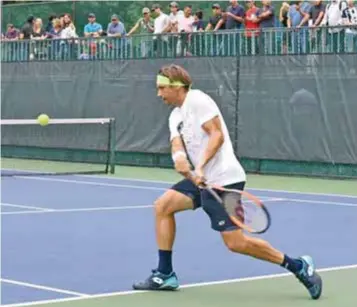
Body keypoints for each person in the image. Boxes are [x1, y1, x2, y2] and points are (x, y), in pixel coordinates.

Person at [132, 64, 322, 300]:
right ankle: (165, 274)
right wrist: (179, 159)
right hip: (201, 181)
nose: (159, 94)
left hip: (225, 179)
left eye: (162, 88)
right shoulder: (175, 115)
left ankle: (298, 266)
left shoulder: (198, 100)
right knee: (162, 206)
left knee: (236, 243)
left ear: (176, 86)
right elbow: (176, 143)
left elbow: (217, 134)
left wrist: (199, 166)